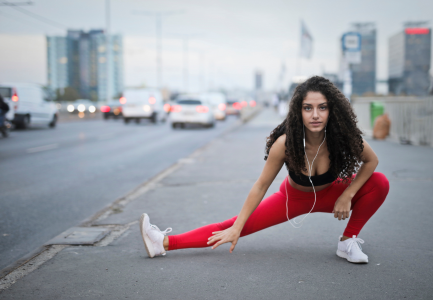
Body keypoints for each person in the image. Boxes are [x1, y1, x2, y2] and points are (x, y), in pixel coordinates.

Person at [139, 76, 389, 264]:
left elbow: (372, 161)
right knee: (233, 225)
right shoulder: (286, 144)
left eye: (322, 107)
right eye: (307, 108)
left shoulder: (343, 137)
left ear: (332, 110)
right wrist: (238, 226)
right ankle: (162, 242)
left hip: (332, 194)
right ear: (298, 111)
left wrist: (347, 194)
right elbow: (260, 185)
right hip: (293, 199)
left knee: (379, 182)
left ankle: (347, 242)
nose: (315, 115)